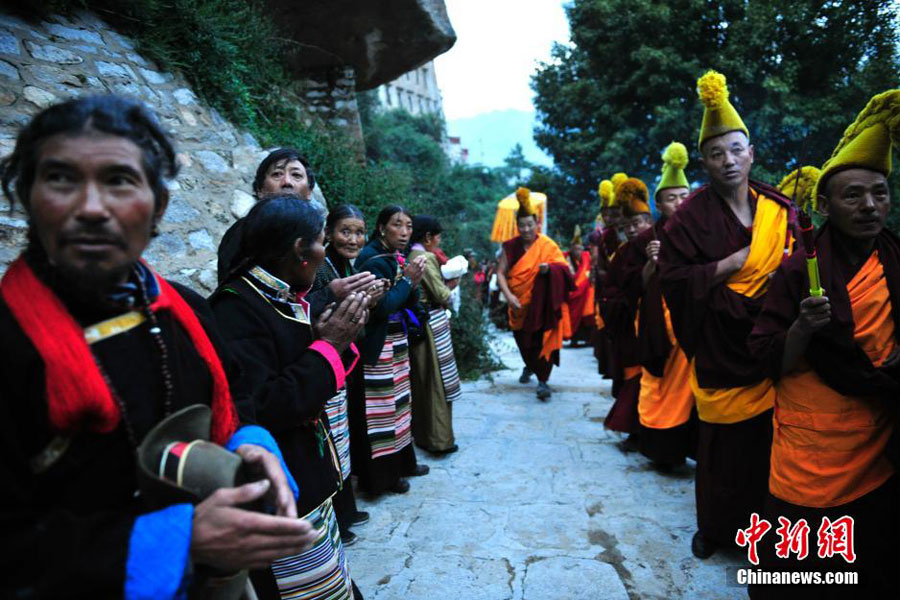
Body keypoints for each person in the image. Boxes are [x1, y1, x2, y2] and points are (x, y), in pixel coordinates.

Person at [0, 95, 313, 599]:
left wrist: (248, 445)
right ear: (27, 196)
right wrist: (178, 540)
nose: (92, 208)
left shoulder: (185, 311)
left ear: (158, 205)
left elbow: (233, 401)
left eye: (120, 181)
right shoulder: (10, 342)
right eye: (60, 179)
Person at [748, 90, 900, 596]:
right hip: (809, 436)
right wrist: (802, 329)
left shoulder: (896, 260)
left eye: (879, 193)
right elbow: (768, 357)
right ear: (827, 205)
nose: (869, 205)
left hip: (874, 434)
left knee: (867, 559)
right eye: (853, 195)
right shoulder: (797, 270)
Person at [658, 71, 800, 559]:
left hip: (771, 344)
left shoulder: (778, 210)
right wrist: (730, 265)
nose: (728, 161)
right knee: (720, 448)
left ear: (751, 152)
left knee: (765, 449)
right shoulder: (689, 218)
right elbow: (673, 281)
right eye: (717, 154)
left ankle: (760, 534)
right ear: (704, 161)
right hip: (719, 346)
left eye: (736, 150)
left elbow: (801, 265)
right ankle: (715, 530)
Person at [210, 196, 367, 599]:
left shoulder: (277, 296)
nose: (324, 252)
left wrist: (326, 338)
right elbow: (263, 407)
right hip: (282, 486)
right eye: (320, 242)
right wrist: (328, 345)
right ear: (301, 250)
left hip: (309, 475)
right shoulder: (235, 309)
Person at [308, 204, 388, 545]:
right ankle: (338, 516)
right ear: (328, 233)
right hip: (325, 357)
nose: (353, 239)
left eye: (358, 232)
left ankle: (347, 509)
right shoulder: (322, 268)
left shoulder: (344, 265)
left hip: (345, 358)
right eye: (345, 231)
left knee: (343, 435)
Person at [354, 205, 430, 495]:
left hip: (396, 343)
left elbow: (407, 301)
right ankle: (383, 478)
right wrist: (408, 279)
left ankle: (402, 464)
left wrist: (414, 282)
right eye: (398, 225)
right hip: (379, 345)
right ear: (382, 227)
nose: (405, 232)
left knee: (399, 405)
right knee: (382, 409)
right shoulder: (372, 259)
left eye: (409, 226)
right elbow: (382, 306)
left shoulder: (397, 257)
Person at [633, 143, 697, 470]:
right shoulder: (648, 237)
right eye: (671, 197)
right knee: (656, 386)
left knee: (687, 391)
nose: (679, 202)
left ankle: (681, 450)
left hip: (689, 322)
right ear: (659, 203)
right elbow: (638, 285)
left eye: (684, 195)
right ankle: (659, 450)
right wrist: (651, 262)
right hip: (659, 323)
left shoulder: (701, 232)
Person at [496, 187, 573, 401]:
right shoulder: (510, 246)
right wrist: (509, 297)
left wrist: (550, 270)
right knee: (524, 343)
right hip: (518, 304)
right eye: (522, 225)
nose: (526, 229)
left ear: (537, 223)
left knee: (542, 340)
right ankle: (530, 366)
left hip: (542, 305)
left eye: (530, 224)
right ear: (517, 226)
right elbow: (500, 273)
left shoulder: (547, 245)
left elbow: (565, 270)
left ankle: (543, 381)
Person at [599, 177, 655, 448]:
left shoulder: (662, 244)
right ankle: (635, 431)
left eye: (638, 224)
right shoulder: (621, 254)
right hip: (630, 327)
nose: (633, 231)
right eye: (627, 226)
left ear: (650, 222)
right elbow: (611, 289)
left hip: (658, 325)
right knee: (634, 377)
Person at [408, 215, 463, 455]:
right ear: (428, 237)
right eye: (438, 237)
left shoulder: (411, 255)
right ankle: (440, 440)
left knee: (421, 381)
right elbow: (442, 295)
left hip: (417, 323)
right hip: (431, 325)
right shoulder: (426, 257)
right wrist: (453, 284)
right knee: (437, 383)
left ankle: (422, 435)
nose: (439, 243)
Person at [564, 225, 595, 347]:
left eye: (580, 249)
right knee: (573, 316)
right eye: (575, 249)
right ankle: (573, 339)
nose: (578, 252)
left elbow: (588, 272)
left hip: (584, 293)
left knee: (585, 316)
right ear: (571, 248)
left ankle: (587, 338)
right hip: (572, 293)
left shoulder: (586, 257)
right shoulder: (566, 258)